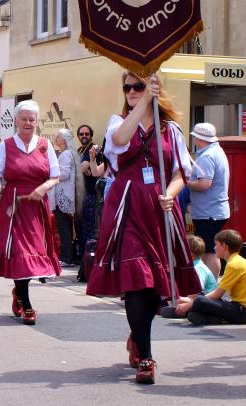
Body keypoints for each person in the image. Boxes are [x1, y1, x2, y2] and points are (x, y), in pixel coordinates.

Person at [86, 73, 200, 385]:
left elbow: (180, 172)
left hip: (159, 210)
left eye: (139, 86)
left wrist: (171, 194)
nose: (132, 91)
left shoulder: (171, 129)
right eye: (128, 87)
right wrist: (144, 100)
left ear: (153, 87)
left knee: (153, 286)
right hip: (127, 206)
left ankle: (138, 336)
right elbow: (119, 141)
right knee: (137, 280)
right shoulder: (118, 122)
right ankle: (146, 357)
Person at [0, 101, 61, 324]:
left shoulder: (45, 145)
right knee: (20, 252)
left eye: (32, 119)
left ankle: (19, 292)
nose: (28, 123)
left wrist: (43, 188)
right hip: (14, 205)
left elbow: (55, 176)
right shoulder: (6, 145)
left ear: (36, 122)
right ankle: (27, 305)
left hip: (37, 205)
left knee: (33, 253)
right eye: (24, 119)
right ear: (16, 121)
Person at [174, 230, 246, 325]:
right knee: (198, 308)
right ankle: (212, 318)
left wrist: (190, 304)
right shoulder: (236, 261)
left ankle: (192, 310)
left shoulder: (234, 264)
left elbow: (217, 294)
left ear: (225, 246)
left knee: (199, 300)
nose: (214, 248)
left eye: (216, 244)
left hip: (244, 312)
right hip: (241, 309)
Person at [186, 122, 230, 279]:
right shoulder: (218, 151)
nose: (194, 140)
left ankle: (210, 285)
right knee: (209, 250)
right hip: (215, 210)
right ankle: (209, 284)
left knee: (210, 251)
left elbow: (204, 184)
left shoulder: (206, 156)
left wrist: (185, 182)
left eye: (195, 137)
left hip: (208, 212)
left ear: (199, 139)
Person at [53, 128, 84, 267]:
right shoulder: (68, 153)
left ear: (64, 140)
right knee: (65, 227)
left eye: (58, 137)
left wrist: (50, 173)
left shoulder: (66, 154)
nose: (56, 139)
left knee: (63, 228)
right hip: (65, 195)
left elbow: (64, 174)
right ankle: (67, 257)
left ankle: (66, 258)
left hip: (62, 195)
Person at [77, 124, 101, 262]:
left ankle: (88, 258)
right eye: (81, 134)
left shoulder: (93, 149)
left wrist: (79, 169)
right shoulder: (80, 150)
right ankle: (82, 257)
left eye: (87, 134)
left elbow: (81, 168)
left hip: (92, 193)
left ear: (91, 135)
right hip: (81, 193)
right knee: (80, 225)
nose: (84, 136)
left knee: (89, 226)